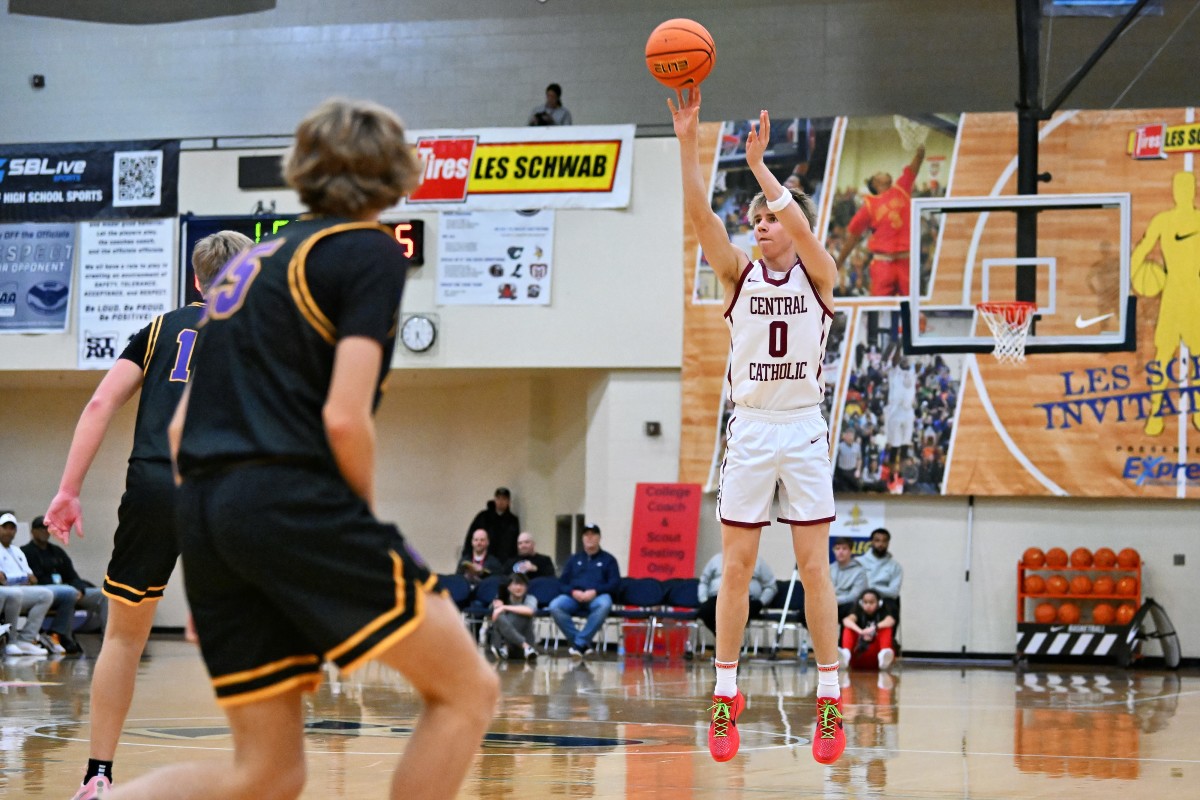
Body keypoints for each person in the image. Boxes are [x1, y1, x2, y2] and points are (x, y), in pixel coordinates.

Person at [96, 98, 498, 800]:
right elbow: (345, 418)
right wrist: (363, 535)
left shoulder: (247, 271)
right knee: (469, 690)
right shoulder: (367, 249)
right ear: (392, 174)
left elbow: (178, 430)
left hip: (213, 514)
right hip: (290, 502)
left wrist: (227, 564)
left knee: (268, 773)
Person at [42, 228, 251, 798]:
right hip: (224, 490)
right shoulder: (261, 330)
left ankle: (97, 776)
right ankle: (261, 765)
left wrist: (68, 489)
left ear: (195, 279)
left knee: (124, 639)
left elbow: (99, 403)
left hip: (154, 485)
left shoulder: (160, 329)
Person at [670, 87, 845, 765]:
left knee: (814, 569)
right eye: (754, 220)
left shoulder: (818, 277)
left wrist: (762, 170)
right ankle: (724, 695)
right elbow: (698, 217)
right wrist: (689, 143)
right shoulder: (737, 276)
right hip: (748, 430)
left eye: (766, 219)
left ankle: (830, 699)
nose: (761, 226)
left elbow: (799, 227)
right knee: (736, 571)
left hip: (801, 428)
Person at [1130, 171, 1200, 436]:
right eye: (1178, 187)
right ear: (1173, 191)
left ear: (1192, 190)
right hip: (1171, 295)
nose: (1182, 191)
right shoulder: (1163, 220)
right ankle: (1156, 413)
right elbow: (1142, 249)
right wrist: (1132, 274)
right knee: (1162, 357)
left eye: (1187, 186)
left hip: (1195, 293)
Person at [834, 145, 925, 296]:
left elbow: (913, 168)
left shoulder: (901, 188)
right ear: (875, 183)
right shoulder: (869, 205)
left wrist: (920, 153)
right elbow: (853, 238)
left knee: (910, 307)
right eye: (879, 173)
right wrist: (838, 263)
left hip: (906, 260)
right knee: (878, 307)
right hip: (883, 262)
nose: (885, 172)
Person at [23, 514, 107, 647]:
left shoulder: (57, 552)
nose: (45, 531)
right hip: (46, 593)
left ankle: (109, 638)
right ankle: (62, 636)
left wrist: (79, 589)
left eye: (47, 528)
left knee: (103, 595)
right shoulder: (25, 552)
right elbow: (35, 580)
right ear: (33, 531)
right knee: (69, 593)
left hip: (70, 590)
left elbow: (72, 575)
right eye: (41, 528)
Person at [548, 524, 619, 659]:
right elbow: (562, 583)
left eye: (593, 534)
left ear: (599, 537)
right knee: (555, 605)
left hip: (596, 597)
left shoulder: (609, 560)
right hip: (574, 597)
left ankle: (579, 643)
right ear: (582, 538)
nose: (590, 537)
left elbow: (614, 584)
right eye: (586, 535)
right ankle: (582, 643)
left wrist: (595, 591)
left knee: (605, 603)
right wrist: (573, 592)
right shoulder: (574, 559)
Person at [0, 512, 55, 656]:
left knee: (46, 594)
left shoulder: (17, 551)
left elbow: (32, 578)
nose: (8, 531)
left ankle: (26, 639)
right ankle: (11, 641)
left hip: (19, 589)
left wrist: (16, 578)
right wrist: (20, 578)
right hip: (6, 590)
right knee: (15, 593)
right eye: (5, 527)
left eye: (12, 528)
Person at [695, 552, 777, 636]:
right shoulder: (716, 559)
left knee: (737, 616)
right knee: (706, 611)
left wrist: (760, 602)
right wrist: (703, 599)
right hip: (719, 597)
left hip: (745, 599)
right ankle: (724, 640)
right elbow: (704, 582)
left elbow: (771, 586)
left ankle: (726, 643)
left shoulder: (757, 561)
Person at [839, 588, 896, 671]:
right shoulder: (857, 611)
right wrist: (861, 631)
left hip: (877, 657)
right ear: (861, 603)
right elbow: (846, 621)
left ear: (879, 603)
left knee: (886, 628)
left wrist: (874, 628)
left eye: (872, 602)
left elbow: (891, 620)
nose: (868, 605)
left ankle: (884, 653)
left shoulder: (883, 611)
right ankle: (846, 654)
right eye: (865, 602)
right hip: (858, 653)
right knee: (849, 628)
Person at [487, 572, 539, 662]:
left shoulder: (530, 598)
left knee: (523, 613)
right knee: (499, 615)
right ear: (508, 587)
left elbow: (530, 611)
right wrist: (496, 605)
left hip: (522, 650)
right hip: (500, 649)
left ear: (526, 587)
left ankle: (517, 646)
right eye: (515, 584)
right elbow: (491, 615)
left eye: (522, 585)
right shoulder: (501, 598)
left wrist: (504, 607)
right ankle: (525, 646)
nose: (518, 588)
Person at [462, 487, 520, 564]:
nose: (501, 502)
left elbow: (515, 544)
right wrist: (466, 557)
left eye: (504, 499)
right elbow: (471, 537)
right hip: (483, 561)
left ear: (508, 502)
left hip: (504, 563)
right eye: (498, 498)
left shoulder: (513, 520)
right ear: (495, 499)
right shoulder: (483, 517)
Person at [856, 527, 903, 615]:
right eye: (877, 540)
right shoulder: (858, 562)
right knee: (849, 606)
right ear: (871, 542)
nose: (881, 544)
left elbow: (894, 593)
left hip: (884, 601)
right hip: (861, 599)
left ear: (888, 543)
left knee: (891, 605)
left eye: (884, 541)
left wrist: (873, 589)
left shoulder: (895, 566)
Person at [829, 538, 868, 624]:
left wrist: (835, 601)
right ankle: (813, 637)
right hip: (829, 604)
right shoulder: (829, 568)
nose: (840, 552)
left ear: (851, 551)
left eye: (844, 548)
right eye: (837, 548)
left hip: (845, 604)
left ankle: (843, 637)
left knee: (850, 609)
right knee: (807, 611)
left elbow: (855, 596)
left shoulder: (859, 571)